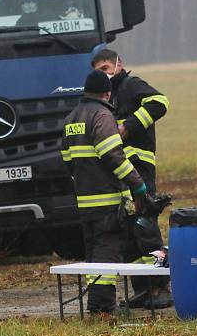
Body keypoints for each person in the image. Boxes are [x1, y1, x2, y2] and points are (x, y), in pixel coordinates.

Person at [91, 47, 172, 309]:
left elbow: (160, 102)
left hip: (140, 166)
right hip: (122, 170)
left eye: (105, 68)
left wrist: (129, 125)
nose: (104, 74)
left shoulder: (131, 85)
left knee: (145, 223)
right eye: (98, 72)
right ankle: (144, 288)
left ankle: (160, 287)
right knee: (131, 230)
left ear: (118, 64)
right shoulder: (107, 95)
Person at [61, 69, 148, 315]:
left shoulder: (71, 118)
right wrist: (136, 183)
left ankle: (96, 304)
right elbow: (113, 155)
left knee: (93, 250)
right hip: (106, 198)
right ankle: (102, 306)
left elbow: (67, 160)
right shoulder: (102, 116)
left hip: (85, 199)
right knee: (107, 250)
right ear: (107, 93)